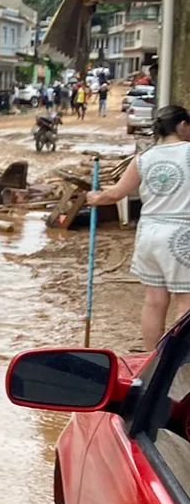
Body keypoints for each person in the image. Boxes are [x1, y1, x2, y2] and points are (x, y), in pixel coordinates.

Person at [89, 105, 190, 349]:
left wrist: (95, 197)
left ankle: (152, 360)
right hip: (182, 235)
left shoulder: (143, 158)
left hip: (148, 235)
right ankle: (178, 365)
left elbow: (116, 193)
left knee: (154, 301)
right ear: (182, 126)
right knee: (186, 304)